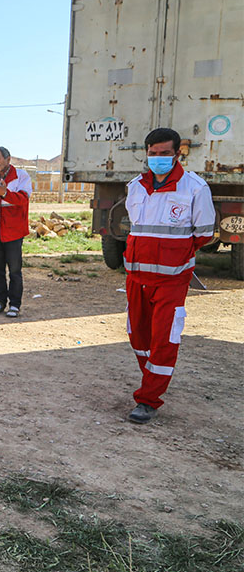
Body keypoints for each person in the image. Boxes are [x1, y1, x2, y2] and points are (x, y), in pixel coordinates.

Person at [123, 128, 214, 424]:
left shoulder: (195, 188)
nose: (158, 159)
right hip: (136, 278)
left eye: (165, 154)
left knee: (164, 339)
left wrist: (174, 257)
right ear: (146, 153)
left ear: (177, 154)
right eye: (153, 153)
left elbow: (203, 235)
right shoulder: (135, 186)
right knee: (138, 337)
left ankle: (148, 399)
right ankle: (152, 376)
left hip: (171, 281)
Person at [0, 146, 31, 318]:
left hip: (13, 232)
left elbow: (23, 200)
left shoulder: (21, 177)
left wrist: (5, 193)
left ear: (8, 159)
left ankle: (15, 305)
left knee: (15, 270)